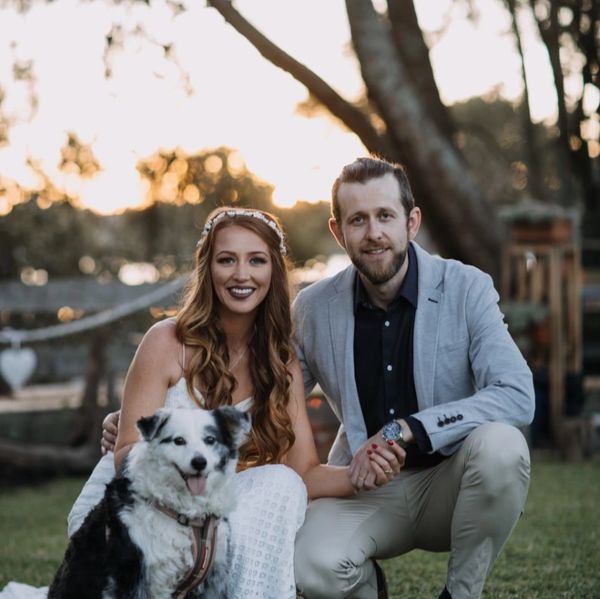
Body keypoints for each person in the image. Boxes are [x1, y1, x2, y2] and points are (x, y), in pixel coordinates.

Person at [0, 207, 399, 599]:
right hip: (138, 508)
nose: (242, 274)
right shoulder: (166, 341)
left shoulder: (281, 362)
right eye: (227, 260)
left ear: (274, 272)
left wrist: (357, 472)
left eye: (256, 260)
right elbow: (126, 453)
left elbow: (304, 472)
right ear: (207, 269)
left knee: (283, 483)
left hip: (210, 508)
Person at [292, 157, 535, 599]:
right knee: (309, 566)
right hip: (365, 486)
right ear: (338, 231)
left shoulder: (467, 288)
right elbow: (269, 396)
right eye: (358, 220)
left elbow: (517, 394)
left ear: (412, 221)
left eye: (385, 215)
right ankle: (368, 588)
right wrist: (164, 411)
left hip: (456, 484)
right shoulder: (313, 308)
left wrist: (410, 427)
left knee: (503, 446)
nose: (373, 233)